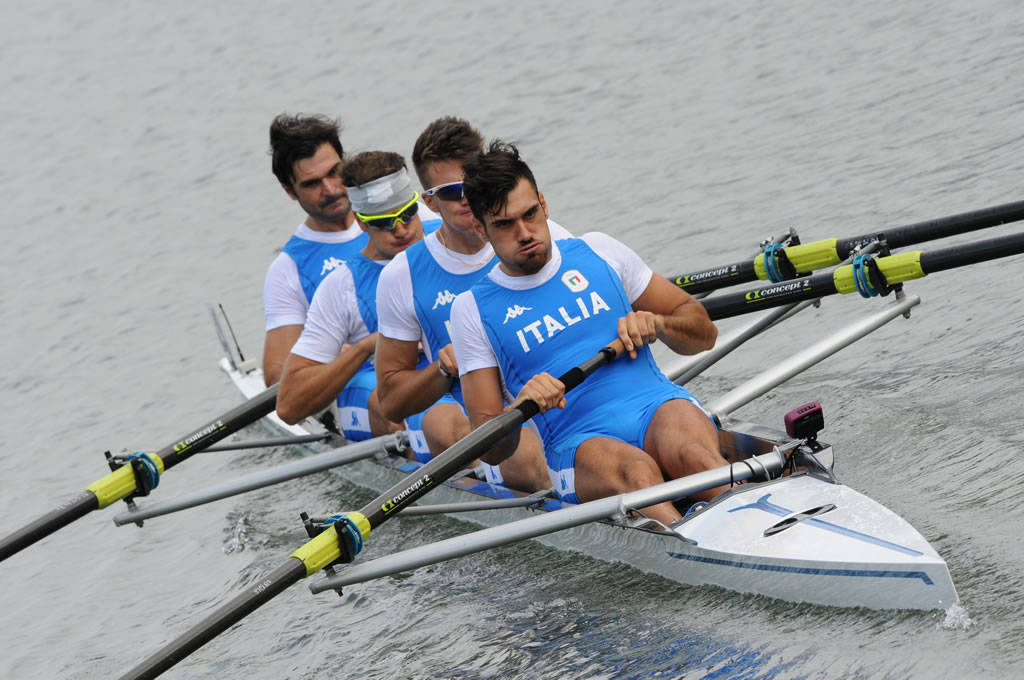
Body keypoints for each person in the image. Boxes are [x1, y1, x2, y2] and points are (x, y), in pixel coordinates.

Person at [450, 141, 728, 525]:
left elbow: (703, 333)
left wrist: (659, 325)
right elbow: (489, 447)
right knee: (637, 472)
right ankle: (694, 545)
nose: (525, 232)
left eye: (530, 214)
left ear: (544, 204)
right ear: (481, 229)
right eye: (504, 225)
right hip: (577, 442)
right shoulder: (471, 309)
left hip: (656, 405)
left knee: (695, 456)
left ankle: (748, 518)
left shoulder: (599, 250)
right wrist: (519, 407)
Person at [375, 117, 555, 491]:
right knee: (444, 424)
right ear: (429, 202)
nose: (468, 198)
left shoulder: (538, 238)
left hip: (557, 390)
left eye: (474, 185)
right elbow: (391, 403)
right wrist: (441, 369)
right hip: (489, 424)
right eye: (454, 191)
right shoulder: (402, 275)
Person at [276, 151, 438, 456]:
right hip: (380, 393)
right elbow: (288, 407)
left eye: (406, 214)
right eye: (384, 223)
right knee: (388, 404)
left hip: (447, 376)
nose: (401, 230)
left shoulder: (450, 240)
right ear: (362, 223)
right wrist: (369, 346)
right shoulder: (341, 287)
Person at [262, 113, 366, 387]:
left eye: (334, 172)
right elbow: (276, 378)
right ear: (289, 191)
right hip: (362, 388)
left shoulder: (401, 217)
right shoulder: (289, 269)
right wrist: (332, 353)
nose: (331, 189)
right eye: (312, 183)